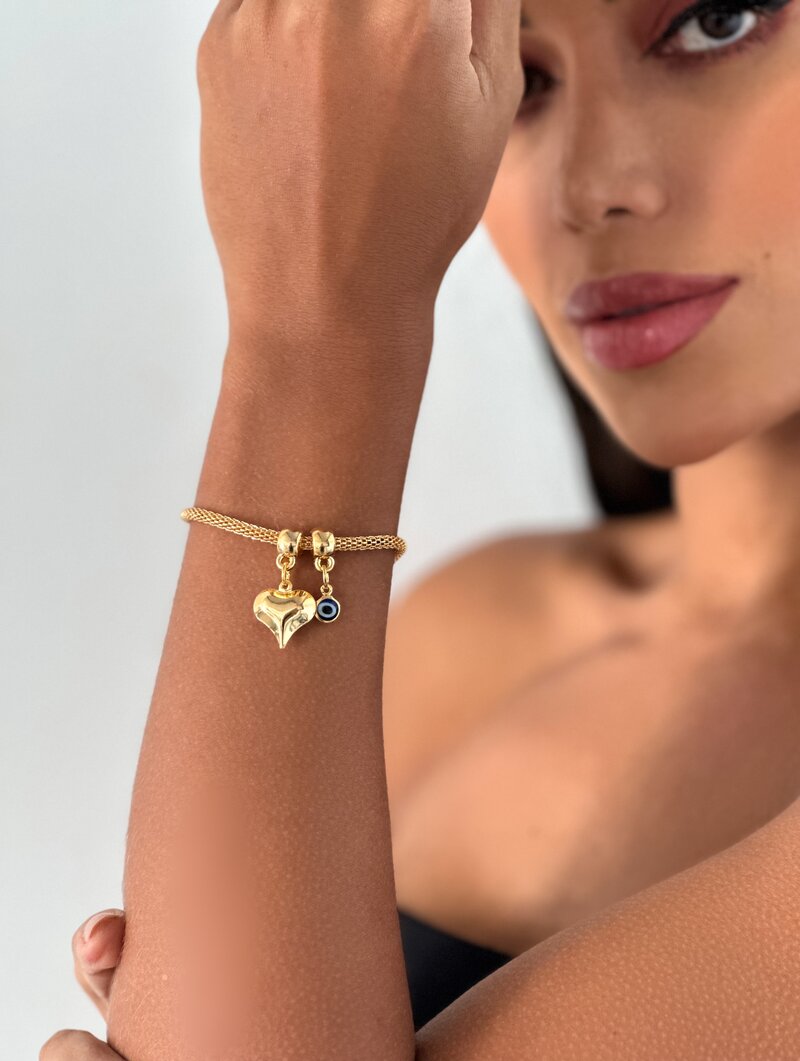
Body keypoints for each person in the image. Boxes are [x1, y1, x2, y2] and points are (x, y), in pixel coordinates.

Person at [41, 0, 800, 1057]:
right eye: (519, 83)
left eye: (713, 23)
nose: (588, 188)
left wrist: (316, 329)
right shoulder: (466, 631)